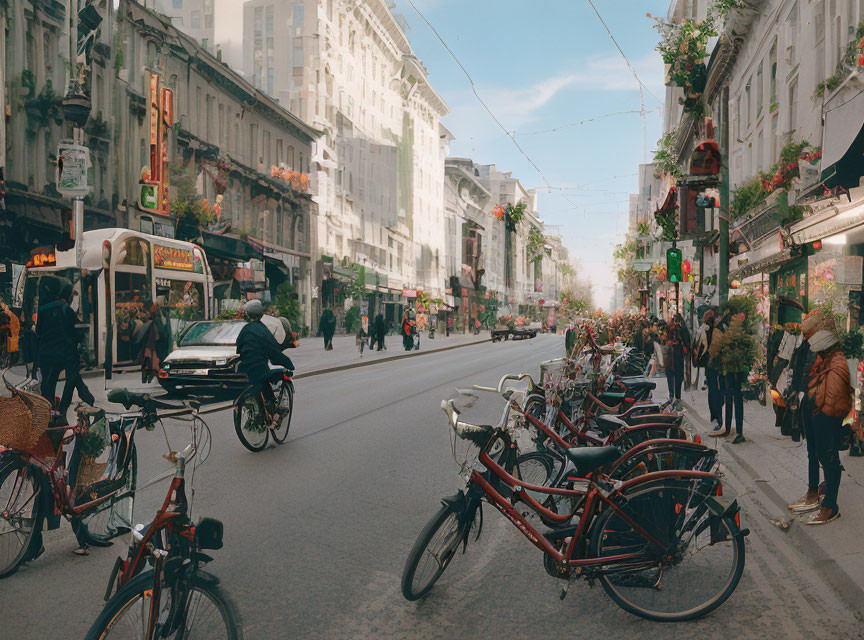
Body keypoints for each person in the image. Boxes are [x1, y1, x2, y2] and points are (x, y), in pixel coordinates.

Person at [785, 308, 851, 525]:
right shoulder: (823, 355)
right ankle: (817, 495)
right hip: (815, 410)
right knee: (816, 452)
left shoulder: (835, 359)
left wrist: (820, 413)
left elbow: (834, 400)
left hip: (823, 415)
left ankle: (830, 505)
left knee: (827, 457)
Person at [236, 300, 295, 425]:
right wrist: (288, 364)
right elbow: (272, 351)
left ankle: (259, 411)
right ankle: (273, 412)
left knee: (255, 383)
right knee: (264, 381)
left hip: (243, 369)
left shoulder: (244, 330)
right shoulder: (262, 330)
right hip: (260, 368)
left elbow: (238, 348)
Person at [35, 278, 76, 409]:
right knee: (57, 381)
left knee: (47, 383)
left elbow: (38, 331)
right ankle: (56, 411)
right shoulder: (66, 309)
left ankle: (48, 409)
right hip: (60, 353)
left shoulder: (42, 309)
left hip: (45, 353)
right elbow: (74, 331)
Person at [56, 283, 95, 419]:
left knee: (73, 377)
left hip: (61, 350)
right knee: (73, 377)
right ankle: (85, 397)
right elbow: (77, 327)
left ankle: (84, 397)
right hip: (69, 350)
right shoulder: (66, 309)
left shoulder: (55, 308)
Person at [697, 309, 725, 431]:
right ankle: (718, 417)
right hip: (716, 364)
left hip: (709, 365)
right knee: (717, 392)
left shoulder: (703, 329)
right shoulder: (717, 330)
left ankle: (713, 416)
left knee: (712, 390)